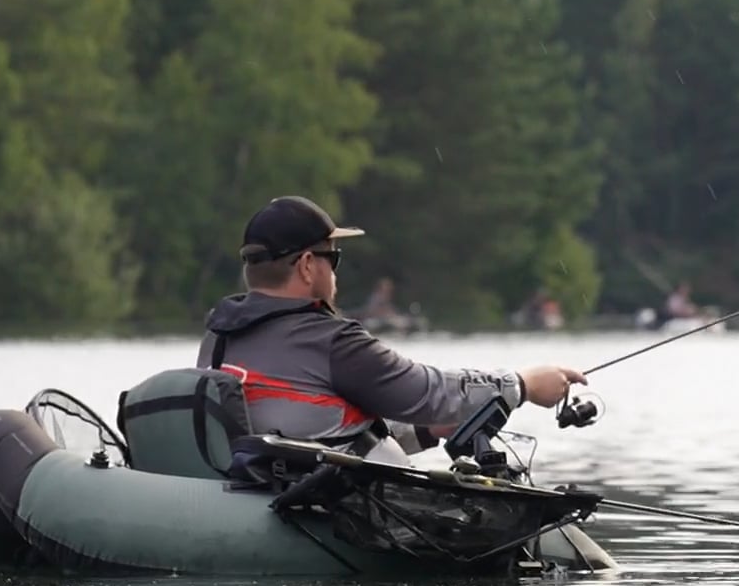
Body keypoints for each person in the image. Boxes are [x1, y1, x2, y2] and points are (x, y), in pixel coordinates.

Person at [196, 195, 585, 455]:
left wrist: (430, 431)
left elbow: (308, 428)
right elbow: (426, 392)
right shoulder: (334, 341)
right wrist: (523, 384)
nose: (335, 271)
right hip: (317, 515)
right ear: (306, 265)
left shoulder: (219, 335)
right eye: (333, 258)